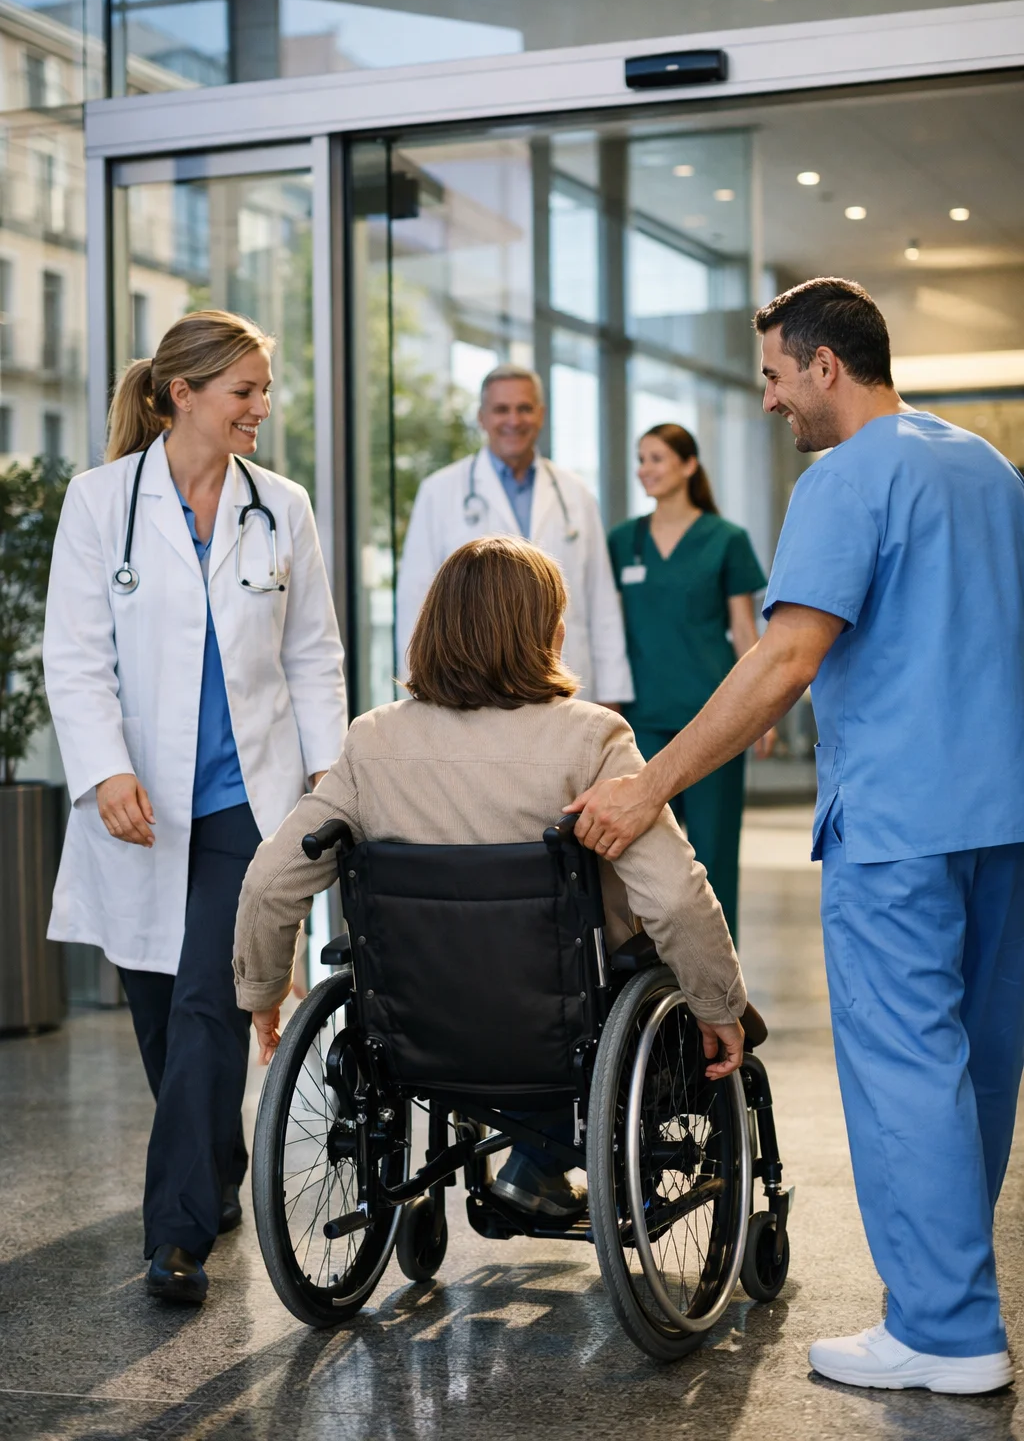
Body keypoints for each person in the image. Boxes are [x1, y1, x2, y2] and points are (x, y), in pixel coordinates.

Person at [568, 277, 1024, 1395]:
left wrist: (647, 787)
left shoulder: (843, 478)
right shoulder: (986, 468)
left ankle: (946, 1329)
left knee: (904, 1067)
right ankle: (943, 1300)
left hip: (898, 827)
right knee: (977, 1066)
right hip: (1004, 813)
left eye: (774, 375)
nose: (768, 402)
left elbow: (781, 661)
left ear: (827, 365)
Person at [233, 535, 747, 1218]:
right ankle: (559, 1154)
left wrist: (264, 992)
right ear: (551, 635)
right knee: (639, 969)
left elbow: (271, 882)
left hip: (419, 1026)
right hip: (563, 1026)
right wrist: (719, 1006)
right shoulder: (591, 739)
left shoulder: (373, 741)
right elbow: (677, 900)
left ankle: (537, 1160)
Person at [43, 310, 346, 1308]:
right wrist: (104, 771)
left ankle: (174, 1236)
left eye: (263, 389)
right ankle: (213, 1168)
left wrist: (326, 778)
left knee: (214, 998)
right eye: (245, 391)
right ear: (184, 396)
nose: (262, 408)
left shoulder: (280, 504)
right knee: (165, 1014)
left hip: (243, 802)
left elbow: (313, 656)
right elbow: (76, 657)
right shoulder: (101, 503)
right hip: (137, 801)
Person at [608, 423, 771, 940]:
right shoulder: (622, 541)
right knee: (648, 860)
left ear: (688, 465)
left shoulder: (725, 540)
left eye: (657, 458)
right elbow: (603, 628)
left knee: (715, 853)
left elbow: (745, 628)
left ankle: (723, 986)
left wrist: (762, 709)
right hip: (642, 722)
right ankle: (656, 985)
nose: (645, 469)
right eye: (641, 459)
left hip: (714, 718)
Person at [395, 364, 633, 706]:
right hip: (471, 686)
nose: (513, 420)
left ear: (541, 414)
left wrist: (612, 697)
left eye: (524, 408)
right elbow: (415, 601)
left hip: (564, 682)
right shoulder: (439, 492)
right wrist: (416, 689)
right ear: (481, 417)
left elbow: (601, 603)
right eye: (501, 409)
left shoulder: (575, 492)